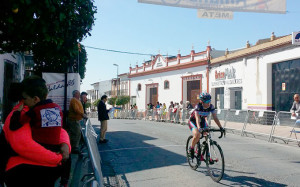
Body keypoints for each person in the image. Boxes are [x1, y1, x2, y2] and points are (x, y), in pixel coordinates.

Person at [2, 81, 71, 187]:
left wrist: (65, 144)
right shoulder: (25, 111)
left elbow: (57, 129)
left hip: (37, 168)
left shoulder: (37, 109)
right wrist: (57, 157)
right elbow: (24, 145)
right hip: (24, 171)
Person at [188, 93, 224, 159]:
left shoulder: (211, 107)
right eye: (207, 101)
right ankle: (191, 148)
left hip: (202, 121)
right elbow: (197, 118)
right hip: (193, 121)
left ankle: (207, 152)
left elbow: (215, 118)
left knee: (208, 135)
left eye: (209, 101)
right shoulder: (198, 107)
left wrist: (221, 127)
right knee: (197, 134)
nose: (208, 103)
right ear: (202, 101)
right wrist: (199, 128)